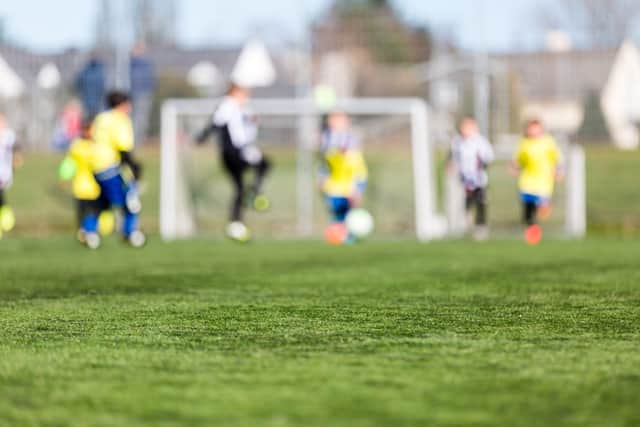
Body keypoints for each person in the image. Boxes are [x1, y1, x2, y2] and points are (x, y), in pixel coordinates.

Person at [196, 84, 272, 242]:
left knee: (240, 188)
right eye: (244, 94)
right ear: (235, 93)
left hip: (237, 152)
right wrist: (203, 136)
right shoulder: (228, 104)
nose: (246, 97)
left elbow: (247, 124)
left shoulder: (241, 108)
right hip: (234, 152)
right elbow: (216, 122)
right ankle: (254, 194)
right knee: (263, 165)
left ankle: (235, 223)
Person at [89, 91, 145, 249]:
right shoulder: (120, 120)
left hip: (94, 165)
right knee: (130, 199)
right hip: (109, 165)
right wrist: (134, 166)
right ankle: (130, 232)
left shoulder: (101, 118)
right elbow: (123, 146)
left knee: (102, 201)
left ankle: (89, 230)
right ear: (122, 105)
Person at [58, 119, 111, 247]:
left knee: (98, 213)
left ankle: (94, 235)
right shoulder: (77, 145)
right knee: (82, 215)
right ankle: (85, 236)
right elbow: (70, 163)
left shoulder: (100, 145)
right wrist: (64, 176)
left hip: (97, 187)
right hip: (81, 187)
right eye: (86, 129)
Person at [511, 119, 564, 245]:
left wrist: (559, 171)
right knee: (528, 211)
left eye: (536, 128)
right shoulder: (524, 143)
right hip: (527, 181)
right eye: (531, 128)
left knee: (541, 207)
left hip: (544, 181)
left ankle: (545, 207)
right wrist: (514, 167)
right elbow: (518, 159)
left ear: (541, 129)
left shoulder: (548, 142)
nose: (533, 131)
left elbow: (558, 158)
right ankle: (533, 233)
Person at [318, 111, 368, 242]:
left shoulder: (351, 139)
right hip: (333, 185)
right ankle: (339, 236)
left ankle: (347, 236)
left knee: (349, 212)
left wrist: (358, 187)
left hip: (349, 184)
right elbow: (325, 163)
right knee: (337, 213)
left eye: (338, 119)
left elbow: (357, 165)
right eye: (332, 119)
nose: (333, 122)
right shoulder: (326, 138)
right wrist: (321, 178)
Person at [449, 117, 495, 241]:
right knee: (467, 201)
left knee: (481, 202)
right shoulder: (457, 142)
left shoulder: (480, 141)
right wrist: (451, 166)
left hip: (479, 179)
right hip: (464, 179)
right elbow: (453, 157)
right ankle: (465, 222)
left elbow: (489, 157)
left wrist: (482, 166)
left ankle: (481, 227)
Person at [129, 43, 156, 145]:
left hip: (143, 95)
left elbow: (150, 81)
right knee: (132, 121)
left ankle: (136, 143)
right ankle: (131, 143)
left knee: (140, 121)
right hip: (132, 96)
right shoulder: (128, 65)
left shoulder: (146, 65)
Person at [0, 114, 20, 239]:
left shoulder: (8, 136)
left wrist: (17, 158)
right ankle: (6, 220)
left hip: (4, 173)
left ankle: (7, 219)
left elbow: (17, 148)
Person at [75, 55, 106, 120]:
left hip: (90, 101)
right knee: (95, 120)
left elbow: (78, 84)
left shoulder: (85, 71)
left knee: (91, 120)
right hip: (93, 101)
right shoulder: (100, 71)